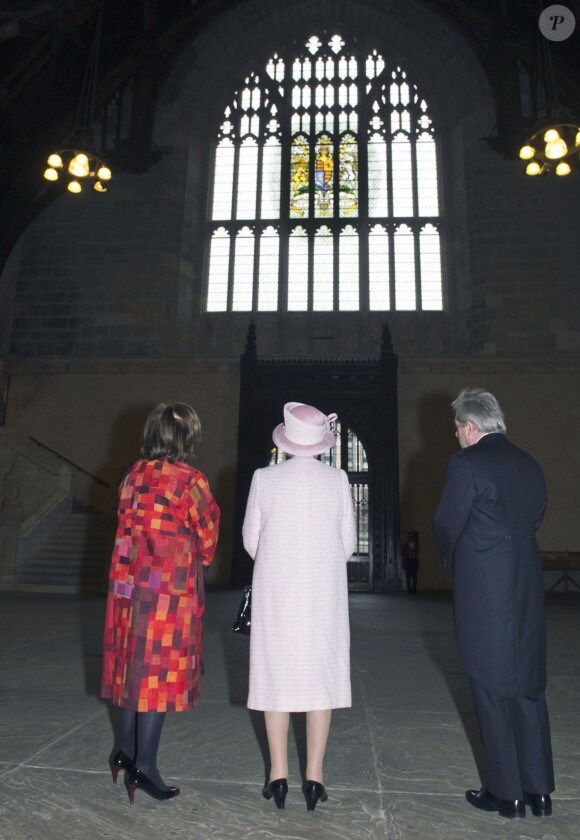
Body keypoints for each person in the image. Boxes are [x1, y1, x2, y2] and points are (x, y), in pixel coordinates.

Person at [433, 388, 554, 820]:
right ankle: (539, 791)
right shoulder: (528, 462)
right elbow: (537, 513)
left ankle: (506, 794)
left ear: (470, 426)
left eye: (457, 429)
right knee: (527, 684)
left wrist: (452, 556)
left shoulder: (467, 463)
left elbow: (448, 521)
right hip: (525, 578)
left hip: (485, 583)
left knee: (488, 683)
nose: (456, 437)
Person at [101, 402, 220, 803]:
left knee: (128, 669)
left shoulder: (130, 477)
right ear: (186, 437)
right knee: (156, 677)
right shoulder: (190, 482)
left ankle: (126, 750)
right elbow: (208, 544)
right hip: (166, 593)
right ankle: (145, 767)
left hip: (127, 588)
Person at [242, 402, 356, 812]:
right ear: (320, 443)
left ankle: (278, 777)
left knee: (277, 678)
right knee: (319, 678)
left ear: (286, 440)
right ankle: (315, 778)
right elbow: (349, 544)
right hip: (323, 594)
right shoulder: (338, 479)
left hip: (277, 592)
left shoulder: (264, 478)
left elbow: (251, 541)